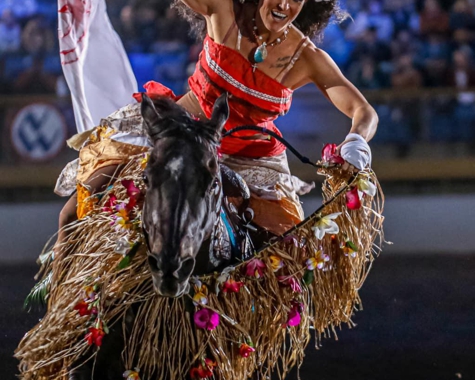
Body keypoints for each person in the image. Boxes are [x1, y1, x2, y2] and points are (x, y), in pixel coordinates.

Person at [55, 0, 378, 264]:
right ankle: (64, 308)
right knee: (78, 207)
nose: (284, 4)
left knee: (289, 260)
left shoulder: (309, 58)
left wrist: (356, 141)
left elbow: (363, 111)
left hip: (250, 158)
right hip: (179, 133)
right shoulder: (224, 11)